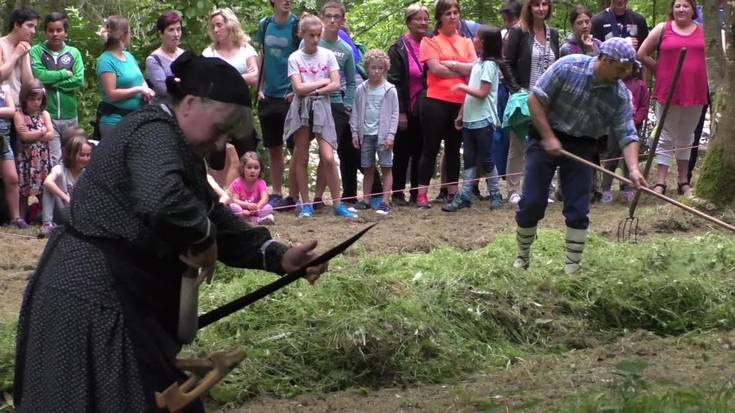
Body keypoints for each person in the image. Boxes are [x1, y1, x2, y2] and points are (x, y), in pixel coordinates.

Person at [14, 52, 327, 412]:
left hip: (123, 298)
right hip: (89, 297)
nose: (220, 143)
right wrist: (204, 236)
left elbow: (210, 215)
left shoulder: (179, 146)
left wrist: (278, 255)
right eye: (220, 128)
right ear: (191, 103)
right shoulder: (152, 131)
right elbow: (163, 201)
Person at [513, 37, 646, 274]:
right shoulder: (567, 66)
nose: (624, 74)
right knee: (532, 202)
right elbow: (534, 101)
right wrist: (548, 137)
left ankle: (572, 269)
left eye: (627, 70)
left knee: (578, 207)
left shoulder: (620, 96)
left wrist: (634, 169)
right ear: (604, 60)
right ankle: (522, 258)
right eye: (620, 69)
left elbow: (627, 133)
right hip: (544, 136)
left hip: (583, 145)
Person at [282, 14, 354, 219]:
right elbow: (297, 87)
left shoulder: (327, 55)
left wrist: (314, 89)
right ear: (302, 34)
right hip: (301, 109)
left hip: (323, 106)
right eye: (311, 35)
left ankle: (338, 204)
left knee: (329, 157)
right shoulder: (295, 57)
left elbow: (336, 83)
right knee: (301, 155)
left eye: (318, 35)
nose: (315, 39)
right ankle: (306, 204)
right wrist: (321, 84)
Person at [312, 1, 381, 211]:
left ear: (342, 21)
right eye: (328, 17)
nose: (332, 21)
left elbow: (351, 79)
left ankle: (374, 191)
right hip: (319, 102)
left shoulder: (345, 45)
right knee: (342, 150)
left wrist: (348, 105)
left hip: (341, 102)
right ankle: (348, 193)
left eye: (337, 17)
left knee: (353, 147)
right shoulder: (315, 41)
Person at [638, 0, 707, 197]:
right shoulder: (663, 29)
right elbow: (641, 53)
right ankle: (660, 182)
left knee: (687, 136)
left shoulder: (703, 30)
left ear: (693, 9)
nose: (681, 9)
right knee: (665, 135)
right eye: (677, 6)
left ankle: (683, 181)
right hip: (668, 91)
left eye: (686, 5)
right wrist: (659, 70)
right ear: (672, 9)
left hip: (695, 91)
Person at [415, 0, 476, 209]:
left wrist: (453, 65)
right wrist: (462, 69)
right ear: (440, 17)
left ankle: (452, 193)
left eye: (455, 12)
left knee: (453, 149)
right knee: (430, 148)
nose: (452, 16)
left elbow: (475, 71)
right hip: (434, 101)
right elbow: (436, 69)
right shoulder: (430, 41)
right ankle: (421, 194)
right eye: (448, 13)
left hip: (459, 102)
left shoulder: (467, 42)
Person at [503, 0, 559, 206]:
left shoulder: (553, 33)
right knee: (518, 143)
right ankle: (513, 189)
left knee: (546, 141)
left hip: (548, 98)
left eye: (545, 4)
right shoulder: (519, 31)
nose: (541, 8)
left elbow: (557, 65)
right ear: (530, 8)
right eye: (536, 4)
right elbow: (506, 63)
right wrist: (516, 89)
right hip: (525, 95)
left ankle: (545, 188)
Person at [443, 26, 505, 212]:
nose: (474, 40)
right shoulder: (478, 64)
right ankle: (466, 196)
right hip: (470, 120)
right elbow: (472, 92)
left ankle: (495, 194)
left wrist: (461, 87)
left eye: (477, 37)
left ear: (484, 42)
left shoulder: (490, 66)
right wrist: (462, 114)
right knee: (469, 159)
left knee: (485, 159)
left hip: (484, 120)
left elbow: (482, 93)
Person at [254, 0, 299, 209]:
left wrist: (296, 89)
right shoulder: (264, 24)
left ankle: (295, 194)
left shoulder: (297, 25)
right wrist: (259, 87)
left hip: (289, 96)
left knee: (295, 147)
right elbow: (262, 55)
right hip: (268, 96)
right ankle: (277, 192)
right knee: (273, 147)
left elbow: (304, 56)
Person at [30, 12, 85, 166]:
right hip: (48, 115)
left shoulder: (74, 53)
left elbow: (78, 80)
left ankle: (72, 190)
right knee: (54, 160)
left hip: (70, 115)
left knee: (73, 159)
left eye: (59, 30)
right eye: (51, 30)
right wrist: (63, 74)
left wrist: (51, 82)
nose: (55, 34)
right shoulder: (36, 51)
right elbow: (39, 76)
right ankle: (55, 190)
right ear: (45, 31)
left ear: (65, 32)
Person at [387, 3, 429, 206]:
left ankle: (417, 193)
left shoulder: (432, 43)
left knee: (423, 150)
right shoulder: (398, 48)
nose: (423, 23)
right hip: (407, 108)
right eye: (418, 19)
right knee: (402, 151)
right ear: (409, 22)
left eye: (425, 19)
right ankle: (397, 193)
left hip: (428, 109)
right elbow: (394, 81)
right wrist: (401, 112)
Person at [203, 8, 259, 156]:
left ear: (230, 25)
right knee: (219, 159)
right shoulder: (209, 53)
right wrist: (240, 77)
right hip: (217, 115)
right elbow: (209, 82)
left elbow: (254, 77)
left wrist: (224, 78)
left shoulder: (246, 49)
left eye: (219, 25)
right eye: (213, 26)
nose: (215, 30)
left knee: (246, 156)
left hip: (242, 114)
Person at [350, 49, 399, 215]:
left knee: (386, 166)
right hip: (366, 135)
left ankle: (385, 201)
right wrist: (355, 133)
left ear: (385, 69)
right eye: (373, 68)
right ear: (367, 68)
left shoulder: (390, 90)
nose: (376, 71)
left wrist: (391, 135)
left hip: (383, 136)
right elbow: (355, 112)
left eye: (380, 68)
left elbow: (394, 115)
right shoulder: (361, 89)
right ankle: (366, 199)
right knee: (367, 167)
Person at [96, 15, 155, 140]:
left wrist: (146, 90)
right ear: (123, 35)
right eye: (129, 32)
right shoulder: (106, 60)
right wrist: (138, 89)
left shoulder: (129, 56)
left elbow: (140, 79)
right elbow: (111, 94)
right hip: (115, 121)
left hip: (137, 118)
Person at [600, 63, 648, 203]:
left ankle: (628, 187)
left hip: (634, 126)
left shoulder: (641, 85)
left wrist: (634, 120)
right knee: (612, 156)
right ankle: (606, 188)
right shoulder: (615, 84)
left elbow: (644, 107)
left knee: (630, 160)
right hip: (615, 127)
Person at [14, 79, 54, 223]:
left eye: (39, 99)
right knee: (23, 191)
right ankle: (21, 217)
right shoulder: (19, 115)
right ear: (24, 99)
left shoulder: (45, 115)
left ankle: (47, 218)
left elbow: (51, 134)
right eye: (32, 99)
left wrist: (35, 134)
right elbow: (24, 136)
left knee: (44, 190)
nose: (36, 102)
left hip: (42, 160)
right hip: (26, 159)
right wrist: (41, 131)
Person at [39, 131, 90, 237]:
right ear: (71, 154)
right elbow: (47, 182)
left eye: (88, 155)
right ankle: (47, 223)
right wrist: (65, 197)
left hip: (76, 214)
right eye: (81, 155)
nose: (85, 158)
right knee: (49, 186)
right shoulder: (60, 169)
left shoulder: (88, 174)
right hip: (60, 210)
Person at [0, 7, 37, 105]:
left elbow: (28, 83)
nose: (33, 31)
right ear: (16, 24)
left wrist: (24, 55)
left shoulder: (24, 48)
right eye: (29, 25)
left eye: (35, 27)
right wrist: (16, 54)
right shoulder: (1, 44)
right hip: (3, 108)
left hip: (19, 106)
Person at [146, 11, 184, 102]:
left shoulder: (184, 55)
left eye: (178, 29)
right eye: (171, 30)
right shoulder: (153, 60)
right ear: (161, 34)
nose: (176, 34)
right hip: (165, 111)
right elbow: (164, 90)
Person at [228, 151, 275, 225]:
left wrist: (257, 208)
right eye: (249, 167)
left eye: (256, 168)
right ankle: (255, 220)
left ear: (260, 169)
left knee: (269, 207)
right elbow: (235, 200)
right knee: (234, 207)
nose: (252, 171)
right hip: (242, 210)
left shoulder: (261, 183)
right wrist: (246, 206)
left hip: (256, 210)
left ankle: (254, 219)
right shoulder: (237, 182)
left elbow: (265, 198)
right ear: (243, 168)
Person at [0, 83, 24, 227]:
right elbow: (7, 110)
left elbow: (11, 110)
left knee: (13, 178)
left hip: (3, 140)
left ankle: (15, 218)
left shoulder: (4, 87)